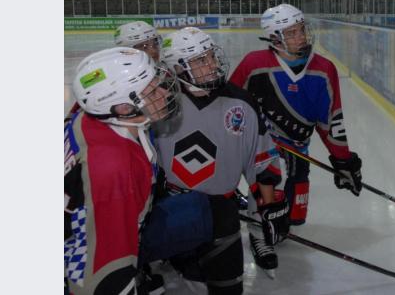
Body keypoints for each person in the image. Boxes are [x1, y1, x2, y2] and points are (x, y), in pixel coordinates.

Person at [152, 27, 286, 294]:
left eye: (211, 55)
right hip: (172, 210)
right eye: (201, 60)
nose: (212, 65)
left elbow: (262, 159)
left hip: (221, 215)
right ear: (177, 68)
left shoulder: (241, 102)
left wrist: (270, 206)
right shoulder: (160, 104)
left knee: (228, 287)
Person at [229, 4, 363, 266]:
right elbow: (231, 105)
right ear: (274, 38)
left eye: (301, 30)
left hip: (298, 144)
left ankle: (277, 222)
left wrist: (343, 160)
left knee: (294, 215)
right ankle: (259, 231)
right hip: (262, 144)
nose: (301, 36)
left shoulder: (324, 69)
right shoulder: (254, 64)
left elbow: (330, 119)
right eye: (291, 33)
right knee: (268, 181)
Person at [65, 47, 178, 295]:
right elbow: (102, 265)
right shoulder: (115, 167)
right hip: (85, 249)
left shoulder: (96, 121)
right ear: (123, 108)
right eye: (152, 90)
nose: (163, 92)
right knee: (202, 213)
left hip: (86, 225)